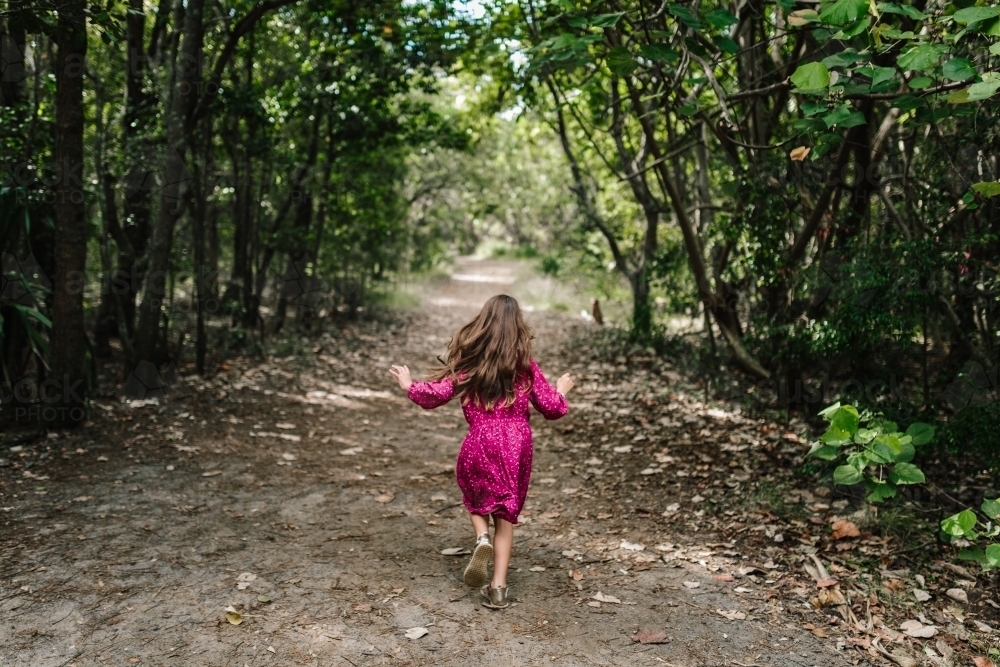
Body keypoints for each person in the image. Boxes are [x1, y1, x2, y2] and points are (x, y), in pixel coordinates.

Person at [389, 295, 573, 609]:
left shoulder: (470, 362)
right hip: (517, 443)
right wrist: (562, 389)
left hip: (481, 438)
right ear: (517, 327)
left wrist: (410, 386)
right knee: (506, 514)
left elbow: (438, 394)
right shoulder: (525, 366)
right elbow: (552, 408)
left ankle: (481, 537)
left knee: (473, 492)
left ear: (483, 324)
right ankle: (498, 588)